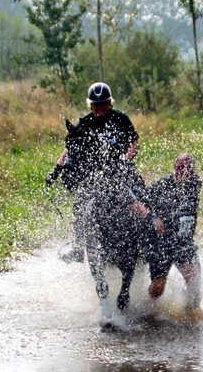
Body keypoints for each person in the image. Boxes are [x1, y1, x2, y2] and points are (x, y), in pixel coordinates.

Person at [52, 82, 141, 262]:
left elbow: (134, 143)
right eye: (95, 105)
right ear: (90, 105)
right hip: (95, 172)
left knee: (139, 193)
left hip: (121, 168)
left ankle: (145, 236)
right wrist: (57, 168)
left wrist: (125, 159)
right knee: (80, 202)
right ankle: (79, 248)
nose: (99, 109)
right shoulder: (85, 123)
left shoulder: (121, 119)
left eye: (103, 105)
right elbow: (70, 147)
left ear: (109, 103)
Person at [146, 153, 202, 311]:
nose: (184, 170)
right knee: (158, 288)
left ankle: (192, 314)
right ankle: (150, 310)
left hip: (183, 242)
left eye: (188, 166)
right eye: (181, 166)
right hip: (162, 243)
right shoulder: (164, 184)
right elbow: (145, 200)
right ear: (175, 166)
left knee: (194, 281)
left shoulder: (195, 183)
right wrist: (154, 217)